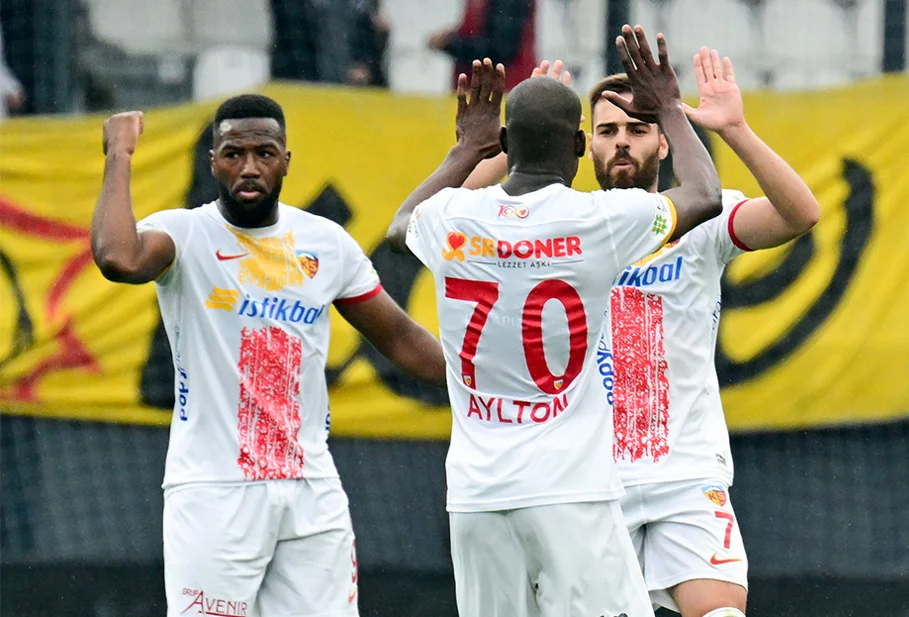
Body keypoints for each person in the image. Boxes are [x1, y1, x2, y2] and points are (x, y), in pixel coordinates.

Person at [466, 48, 821, 617]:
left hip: (687, 473)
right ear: (585, 146)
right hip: (589, 482)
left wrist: (734, 129)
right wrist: (526, 133)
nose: (623, 142)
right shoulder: (560, 226)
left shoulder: (703, 223)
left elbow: (800, 215)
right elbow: (452, 214)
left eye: (638, 128)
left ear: (664, 142)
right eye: (608, 131)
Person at [387, 25, 722, 617]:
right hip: (570, 490)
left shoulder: (453, 217)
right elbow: (704, 194)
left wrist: (465, 149)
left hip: (476, 496)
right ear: (580, 146)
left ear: (505, 143)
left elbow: (398, 226)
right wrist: (669, 105)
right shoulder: (600, 220)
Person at [90, 94, 447, 616]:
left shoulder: (325, 243)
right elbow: (118, 258)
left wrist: (486, 382)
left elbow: (399, 339)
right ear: (213, 161)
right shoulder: (185, 233)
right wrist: (119, 154)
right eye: (234, 154)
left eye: (264, 153)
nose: (250, 168)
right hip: (215, 491)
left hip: (311, 491)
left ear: (286, 160)